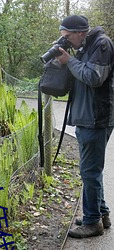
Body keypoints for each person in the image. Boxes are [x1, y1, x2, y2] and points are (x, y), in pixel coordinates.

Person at [56, 15, 114, 238]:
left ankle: (92, 223)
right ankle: (101, 214)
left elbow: (93, 77)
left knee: (89, 171)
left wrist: (69, 61)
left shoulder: (102, 44)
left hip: (96, 118)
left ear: (80, 32)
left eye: (68, 37)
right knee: (91, 171)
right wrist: (66, 60)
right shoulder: (85, 46)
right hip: (86, 117)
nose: (67, 41)